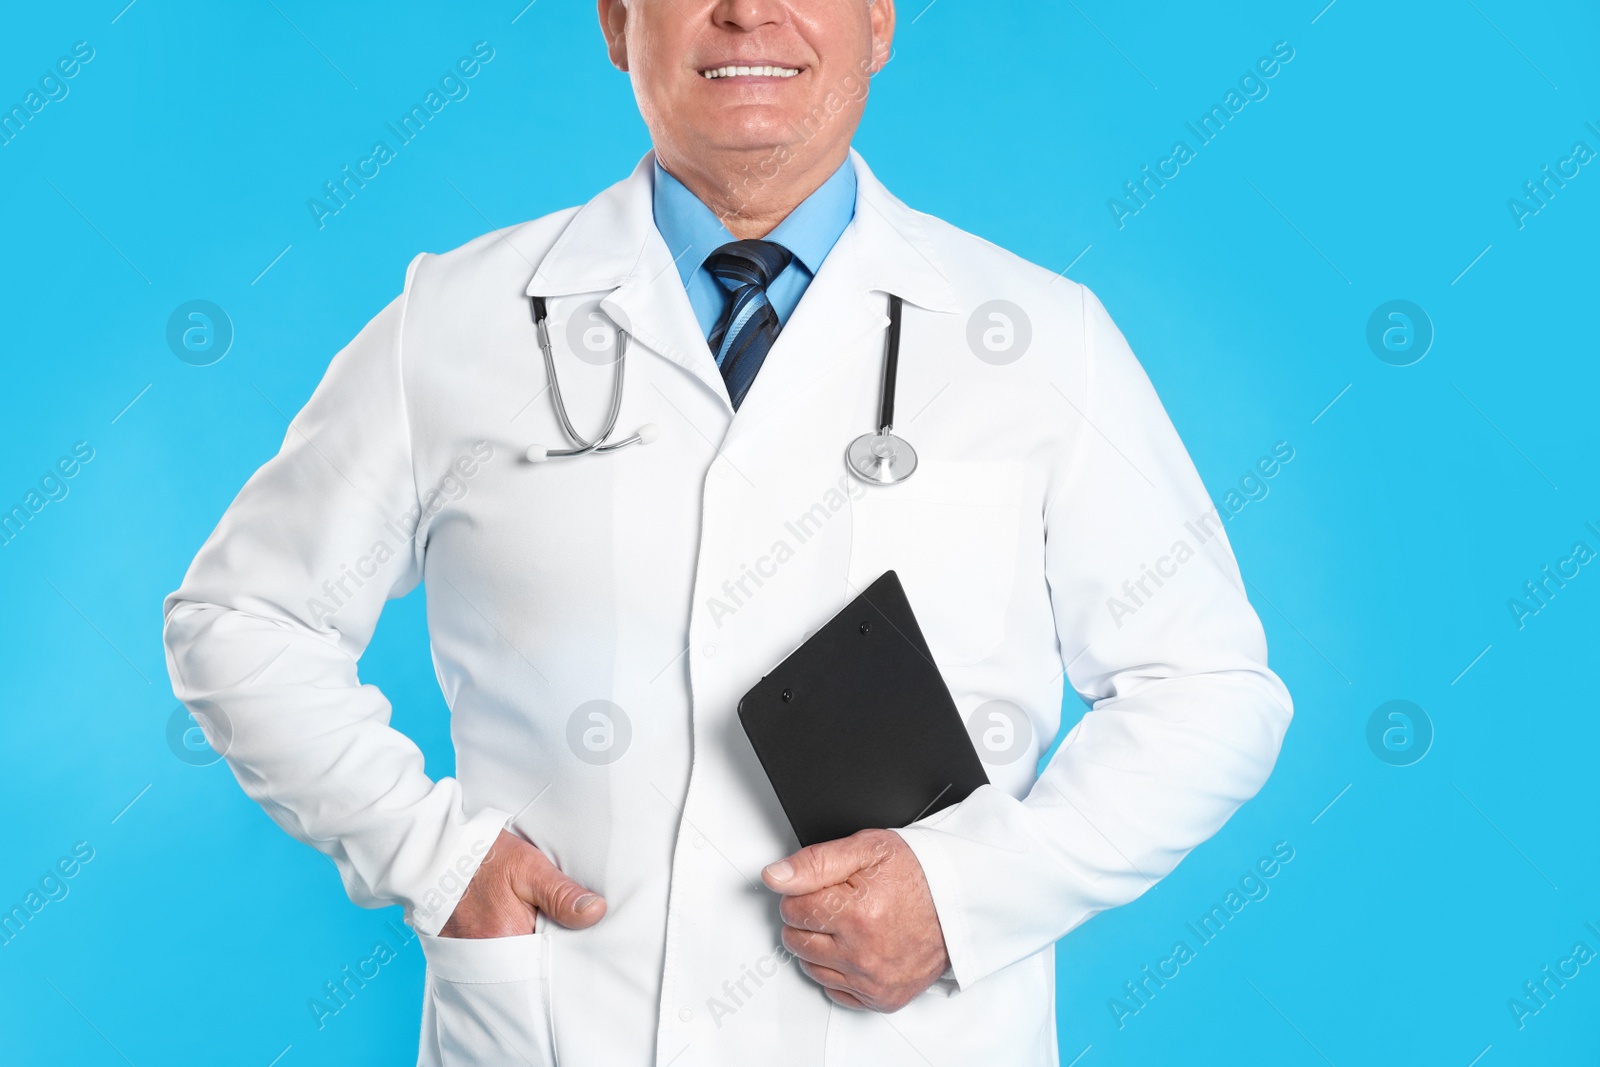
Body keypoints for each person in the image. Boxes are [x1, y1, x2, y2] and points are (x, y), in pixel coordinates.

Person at [162, 1, 1293, 1063]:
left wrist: (967, 894)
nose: (748, 10)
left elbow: (1207, 688)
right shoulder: (458, 320)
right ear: (615, 21)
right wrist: (435, 857)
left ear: (880, 21)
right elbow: (240, 619)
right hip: (565, 1021)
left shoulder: (1039, 338)